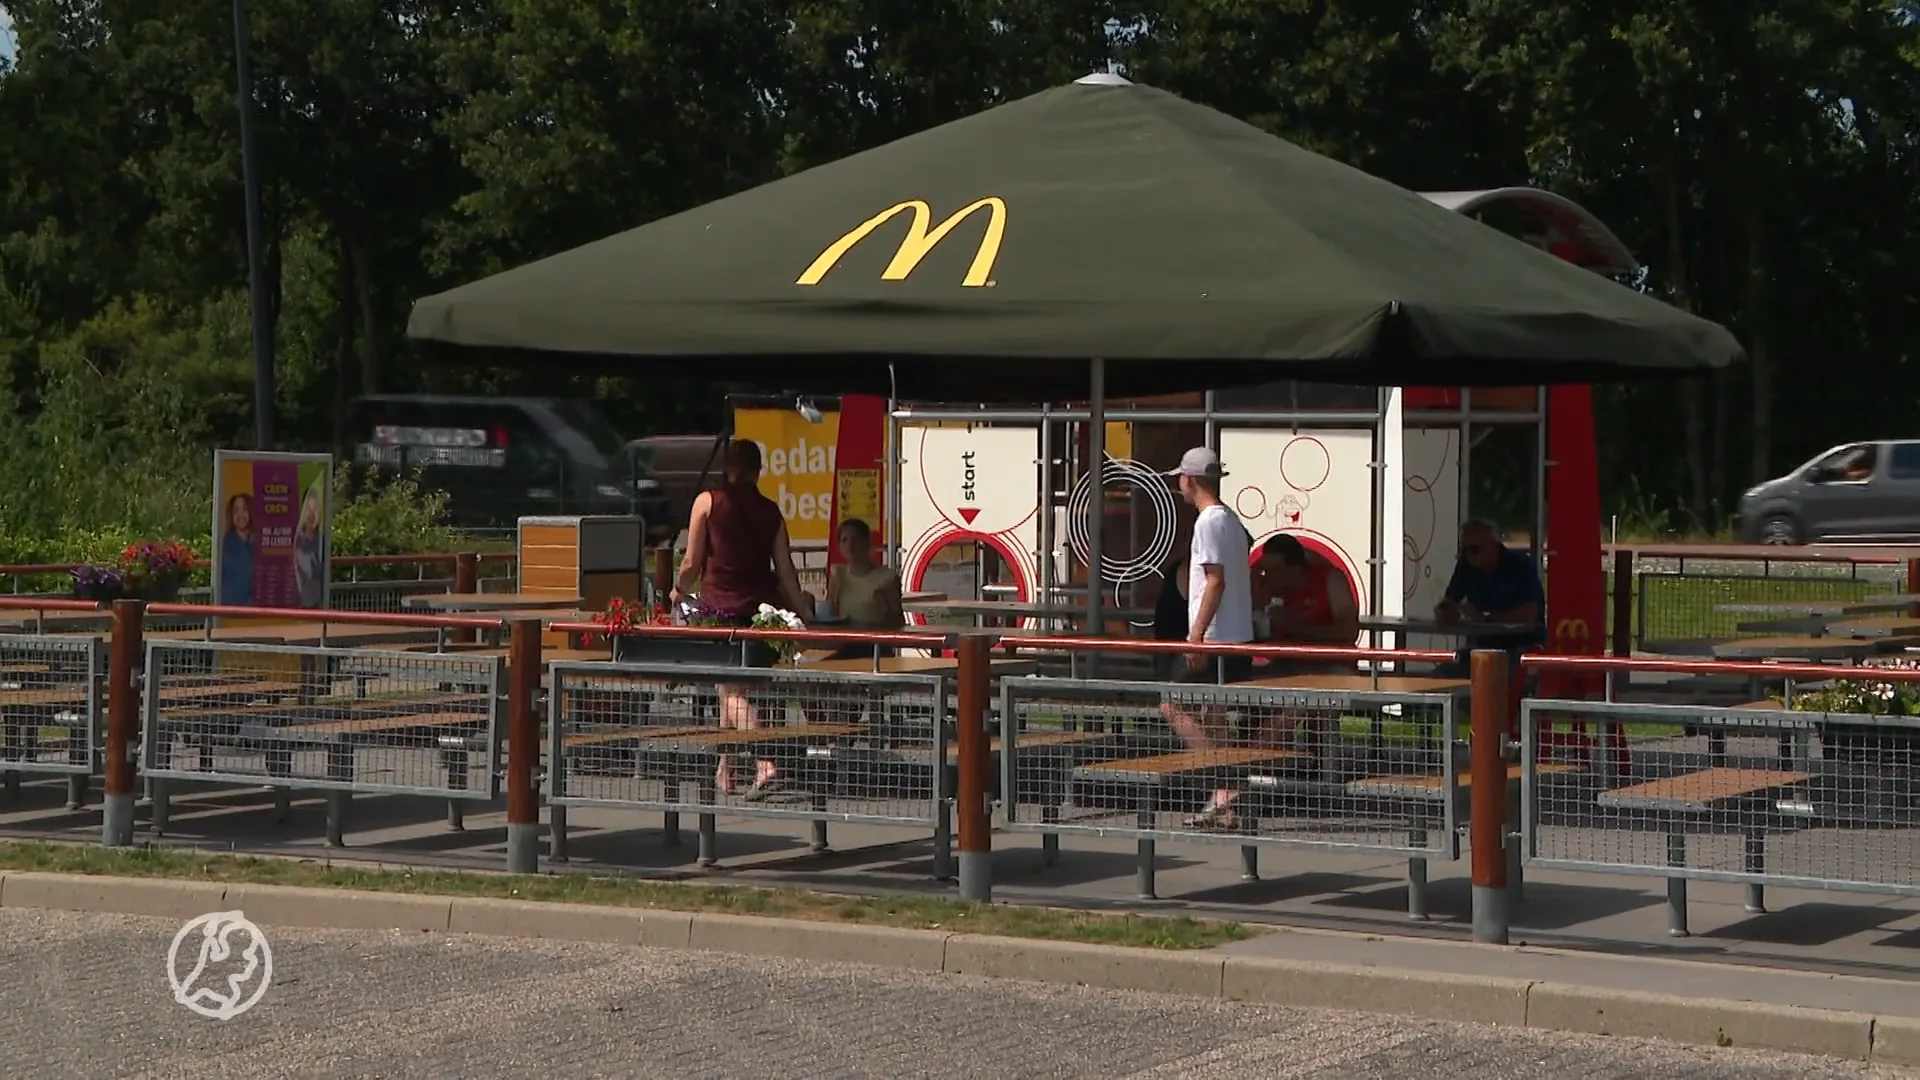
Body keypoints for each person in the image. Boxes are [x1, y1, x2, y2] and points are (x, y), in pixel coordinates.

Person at [672, 439, 815, 800]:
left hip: (720, 610)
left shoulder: (707, 503)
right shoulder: (771, 512)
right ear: (758, 471)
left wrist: (675, 591)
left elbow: (691, 561)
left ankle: (766, 763)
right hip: (763, 613)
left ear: (726, 467)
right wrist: (804, 611)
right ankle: (727, 767)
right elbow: (786, 571)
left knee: (731, 691)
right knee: (731, 688)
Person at [1158, 447, 1254, 828]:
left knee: (1172, 704)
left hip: (1214, 638)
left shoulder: (1209, 522)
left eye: (1181, 477)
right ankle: (1227, 800)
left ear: (1191, 480)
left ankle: (1223, 788)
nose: (1179, 484)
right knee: (1211, 713)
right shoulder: (1229, 519)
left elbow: (1215, 580)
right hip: (1233, 636)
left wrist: (1195, 636)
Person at [1433, 519, 1546, 676]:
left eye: (1474, 549)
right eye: (1463, 550)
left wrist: (1486, 618)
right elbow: (1450, 600)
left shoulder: (1520, 566)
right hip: (1482, 648)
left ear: (1493, 546)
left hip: (1521, 647)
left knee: (1491, 677)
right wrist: (1446, 612)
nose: (1468, 556)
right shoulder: (1466, 566)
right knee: (1441, 674)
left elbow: (1529, 614)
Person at [824, 518, 903, 657]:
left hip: (875, 647)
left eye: (856, 539)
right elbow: (828, 616)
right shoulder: (839, 574)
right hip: (846, 645)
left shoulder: (886, 577)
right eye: (845, 540)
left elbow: (898, 622)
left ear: (867, 543)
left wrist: (884, 607)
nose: (850, 545)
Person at [293, 480, 327, 608]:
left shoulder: (323, 541)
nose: (312, 514)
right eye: (308, 508)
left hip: (318, 608)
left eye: (315, 508)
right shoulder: (295, 540)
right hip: (296, 608)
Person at [218, 493, 255, 606]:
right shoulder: (225, 544)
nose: (240, 515)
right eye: (236, 510)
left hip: (253, 613)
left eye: (244, 509)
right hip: (228, 611)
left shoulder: (258, 544)